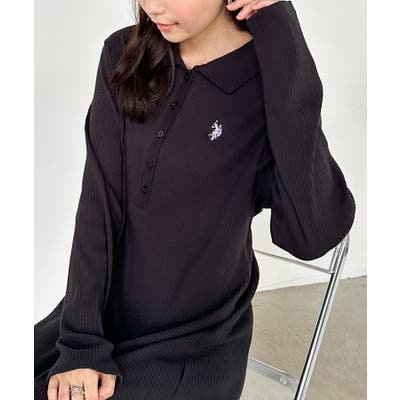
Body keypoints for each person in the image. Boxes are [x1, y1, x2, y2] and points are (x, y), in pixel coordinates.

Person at [34, 1, 356, 399]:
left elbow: (312, 235)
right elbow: (98, 206)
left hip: (193, 348)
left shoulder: (269, 77)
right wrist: (81, 342)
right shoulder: (123, 53)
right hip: (91, 318)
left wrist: (280, 25)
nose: (152, 6)